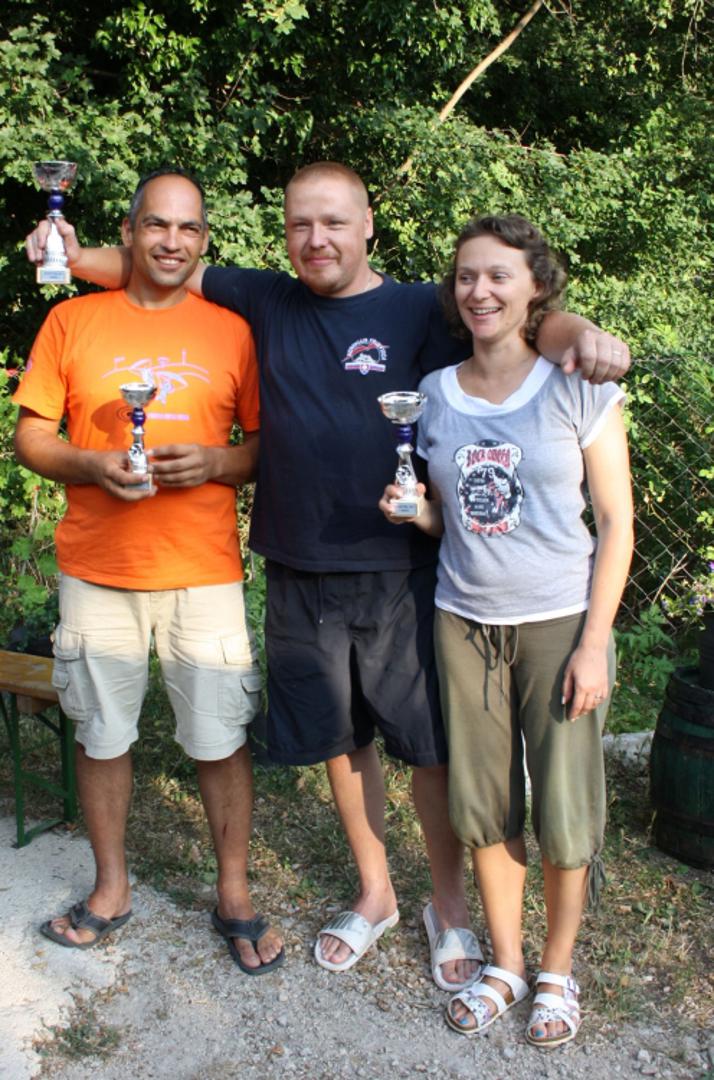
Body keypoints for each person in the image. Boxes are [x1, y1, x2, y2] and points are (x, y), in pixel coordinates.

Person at [26, 163, 630, 986]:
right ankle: (376, 892)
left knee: (427, 750)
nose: (317, 240)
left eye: (335, 223)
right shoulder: (265, 299)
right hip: (299, 563)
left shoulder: (422, 307)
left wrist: (581, 332)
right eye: (301, 224)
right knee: (341, 743)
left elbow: (520, 318)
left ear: (368, 224)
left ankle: (448, 907)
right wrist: (64, 253)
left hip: (405, 566)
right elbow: (158, 263)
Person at [15, 169, 285, 975]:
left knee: (220, 738)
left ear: (203, 241)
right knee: (102, 736)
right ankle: (110, 889)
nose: (172, 241)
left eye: (188, 228)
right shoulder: (71, 319)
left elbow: (261, 449)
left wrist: (214, 461)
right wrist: (93, 465)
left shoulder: (233, 331)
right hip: (98, 568)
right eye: (157, 224)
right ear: (128, 232)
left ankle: (232, 892)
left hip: (203, 571)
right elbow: (32, 437)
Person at [379, 214, 633, 1046]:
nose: (479, 291)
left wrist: (594, 643)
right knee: (483, 807)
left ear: (536, 288)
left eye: (498, 276)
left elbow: (616, 523)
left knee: (565, 809)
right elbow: (448, 518)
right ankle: (509, 963)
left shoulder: (577, 386)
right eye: (466, 277)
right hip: (465, 623)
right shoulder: (435, 394)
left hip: (560, 623)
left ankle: (557, 972)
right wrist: (416, 511)